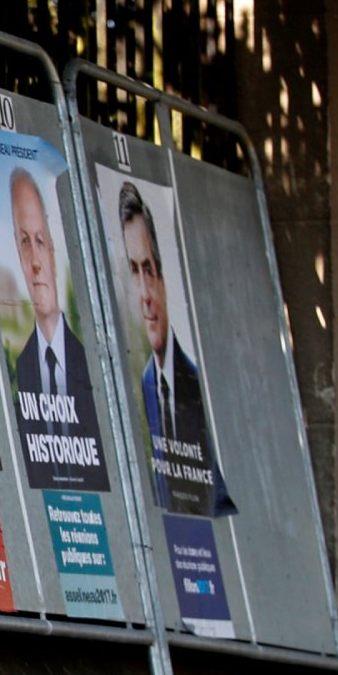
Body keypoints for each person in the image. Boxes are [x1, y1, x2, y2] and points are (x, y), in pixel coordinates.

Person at [116, 182, 229, 514]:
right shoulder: (147, 382)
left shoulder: (197, 381)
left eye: (148, 270)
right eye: (134, 271)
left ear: (164, 278)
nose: (143, 294)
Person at [7, 165, 107, 490]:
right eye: (24, 242)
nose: (35, 261)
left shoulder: (92, 363)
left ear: (52, 249)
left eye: (39, 241)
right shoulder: (20, 369)